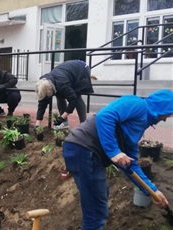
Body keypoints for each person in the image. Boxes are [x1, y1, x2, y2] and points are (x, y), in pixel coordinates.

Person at [62, 89, 172, 229]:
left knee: (98, 201)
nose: (166, 118)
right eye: (169, 113)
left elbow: (130, 164)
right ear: (163, 106)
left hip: (83, 152)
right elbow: (104, 116)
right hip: (84, 149)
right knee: (96, 211)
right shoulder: (137, 104)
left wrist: (152, 191)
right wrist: (113, 151)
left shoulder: (139, 127)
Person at [35, 60, 93, 129]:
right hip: (67, 72)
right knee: (59, 96)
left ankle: (84, 125)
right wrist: (38, 123)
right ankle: (65, 123)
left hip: (81, 69)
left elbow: (73, 100)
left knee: (77, 96)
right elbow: (42, 103)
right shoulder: (44, 83)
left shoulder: (62, 84)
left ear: (50, 91)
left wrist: (62, 117)